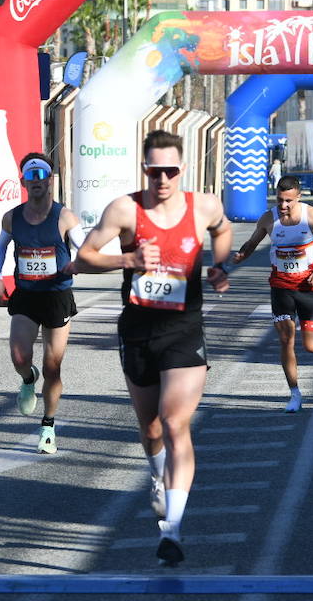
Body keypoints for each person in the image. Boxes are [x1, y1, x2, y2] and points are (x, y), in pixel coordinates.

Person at [76, 130, 232, 567]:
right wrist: (126, 260)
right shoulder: (125, 209)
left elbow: (224, 230)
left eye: (170, 170)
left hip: (184, 330)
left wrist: (219, 266)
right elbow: (82, 259)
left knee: (174, 421)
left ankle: (174, 530)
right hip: (138, 330)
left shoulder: (204, 205)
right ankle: (158, 479)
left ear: (182, 170)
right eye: (154, 170)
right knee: (151, 429)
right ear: (143, 170)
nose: (162, 178)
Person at [0, 152, 81, 454]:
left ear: (50, 180)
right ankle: (28, 379)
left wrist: (78, 263)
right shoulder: (12, 217)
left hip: (57, 296)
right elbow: (0, 248)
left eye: (43, 175)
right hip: (27, 295)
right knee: (19, 356)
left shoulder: (65, 216)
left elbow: (85, 247)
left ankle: (48, 427)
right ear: (24, 181)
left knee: (53, 366)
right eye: (32, 176)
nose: (37, 181)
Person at [231, 175, 313, 413]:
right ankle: (294, 394)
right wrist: (242, 255)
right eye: (280, 200)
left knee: (312, 347)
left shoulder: (312, 216)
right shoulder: (268, 219)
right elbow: (251, 243)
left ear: (298, 197)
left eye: (288, 201)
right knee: (285, 339)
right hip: (280, 286)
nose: (283, 206)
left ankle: (307, 325)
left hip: (306, 287)